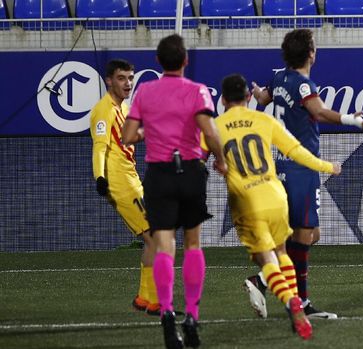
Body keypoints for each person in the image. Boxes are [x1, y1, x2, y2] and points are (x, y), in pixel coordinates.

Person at [251, 28, 363, 320]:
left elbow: (263, 97)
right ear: (311, 53)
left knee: (309, 234)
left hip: (281, 164)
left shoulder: (279, 77)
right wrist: (352, 121)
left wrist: (257, 92)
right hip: (301, 168)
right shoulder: (303, 85)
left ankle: (269, 282)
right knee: (305, 233)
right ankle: (292, 296)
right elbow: (319, 112)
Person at [216, 73, 342, 340]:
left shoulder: (215, 127)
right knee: (284, 251)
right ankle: (293, 298)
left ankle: (290, 302)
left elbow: (195, 156)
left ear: (223, 99)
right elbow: (297, 152)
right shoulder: (265, 120)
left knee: (268, 257)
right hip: (274, 196)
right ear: (249, 98)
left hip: (246, 201)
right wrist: (329, 166)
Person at [122, 34, 227, 349]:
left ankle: (167, 314)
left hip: (159, 175)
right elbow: (210, 131)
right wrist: (220, 160)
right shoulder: (196, 91)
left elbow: (128, 135)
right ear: (185, 61)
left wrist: (146, 130)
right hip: (191, 172)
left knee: (164, 247)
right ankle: (192, 316)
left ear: (157, 62)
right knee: (193, 245)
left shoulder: (145, 92)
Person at [89, 58, 159, 316]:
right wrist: (100, 178)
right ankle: (155, 301)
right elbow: (99, 146)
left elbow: (130, 137)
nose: (128, 83)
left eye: (130, 78)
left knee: (152, 239)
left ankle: (144, 298)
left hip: (131, 178)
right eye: (121, 78)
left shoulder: (124, 106)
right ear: (109, 81)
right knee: (155, 238)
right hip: (119, 181)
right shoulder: (103, 109)